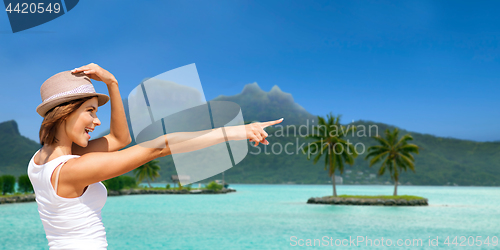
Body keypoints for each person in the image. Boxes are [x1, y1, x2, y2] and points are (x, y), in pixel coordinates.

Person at [27, 63, 283, 249]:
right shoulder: (74, 170)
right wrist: (237, 130)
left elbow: (119, 140)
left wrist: (112, 84)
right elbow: (159, 146)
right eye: (90, 111)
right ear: (65, 112)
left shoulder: (39, 161)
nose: (96, 121)